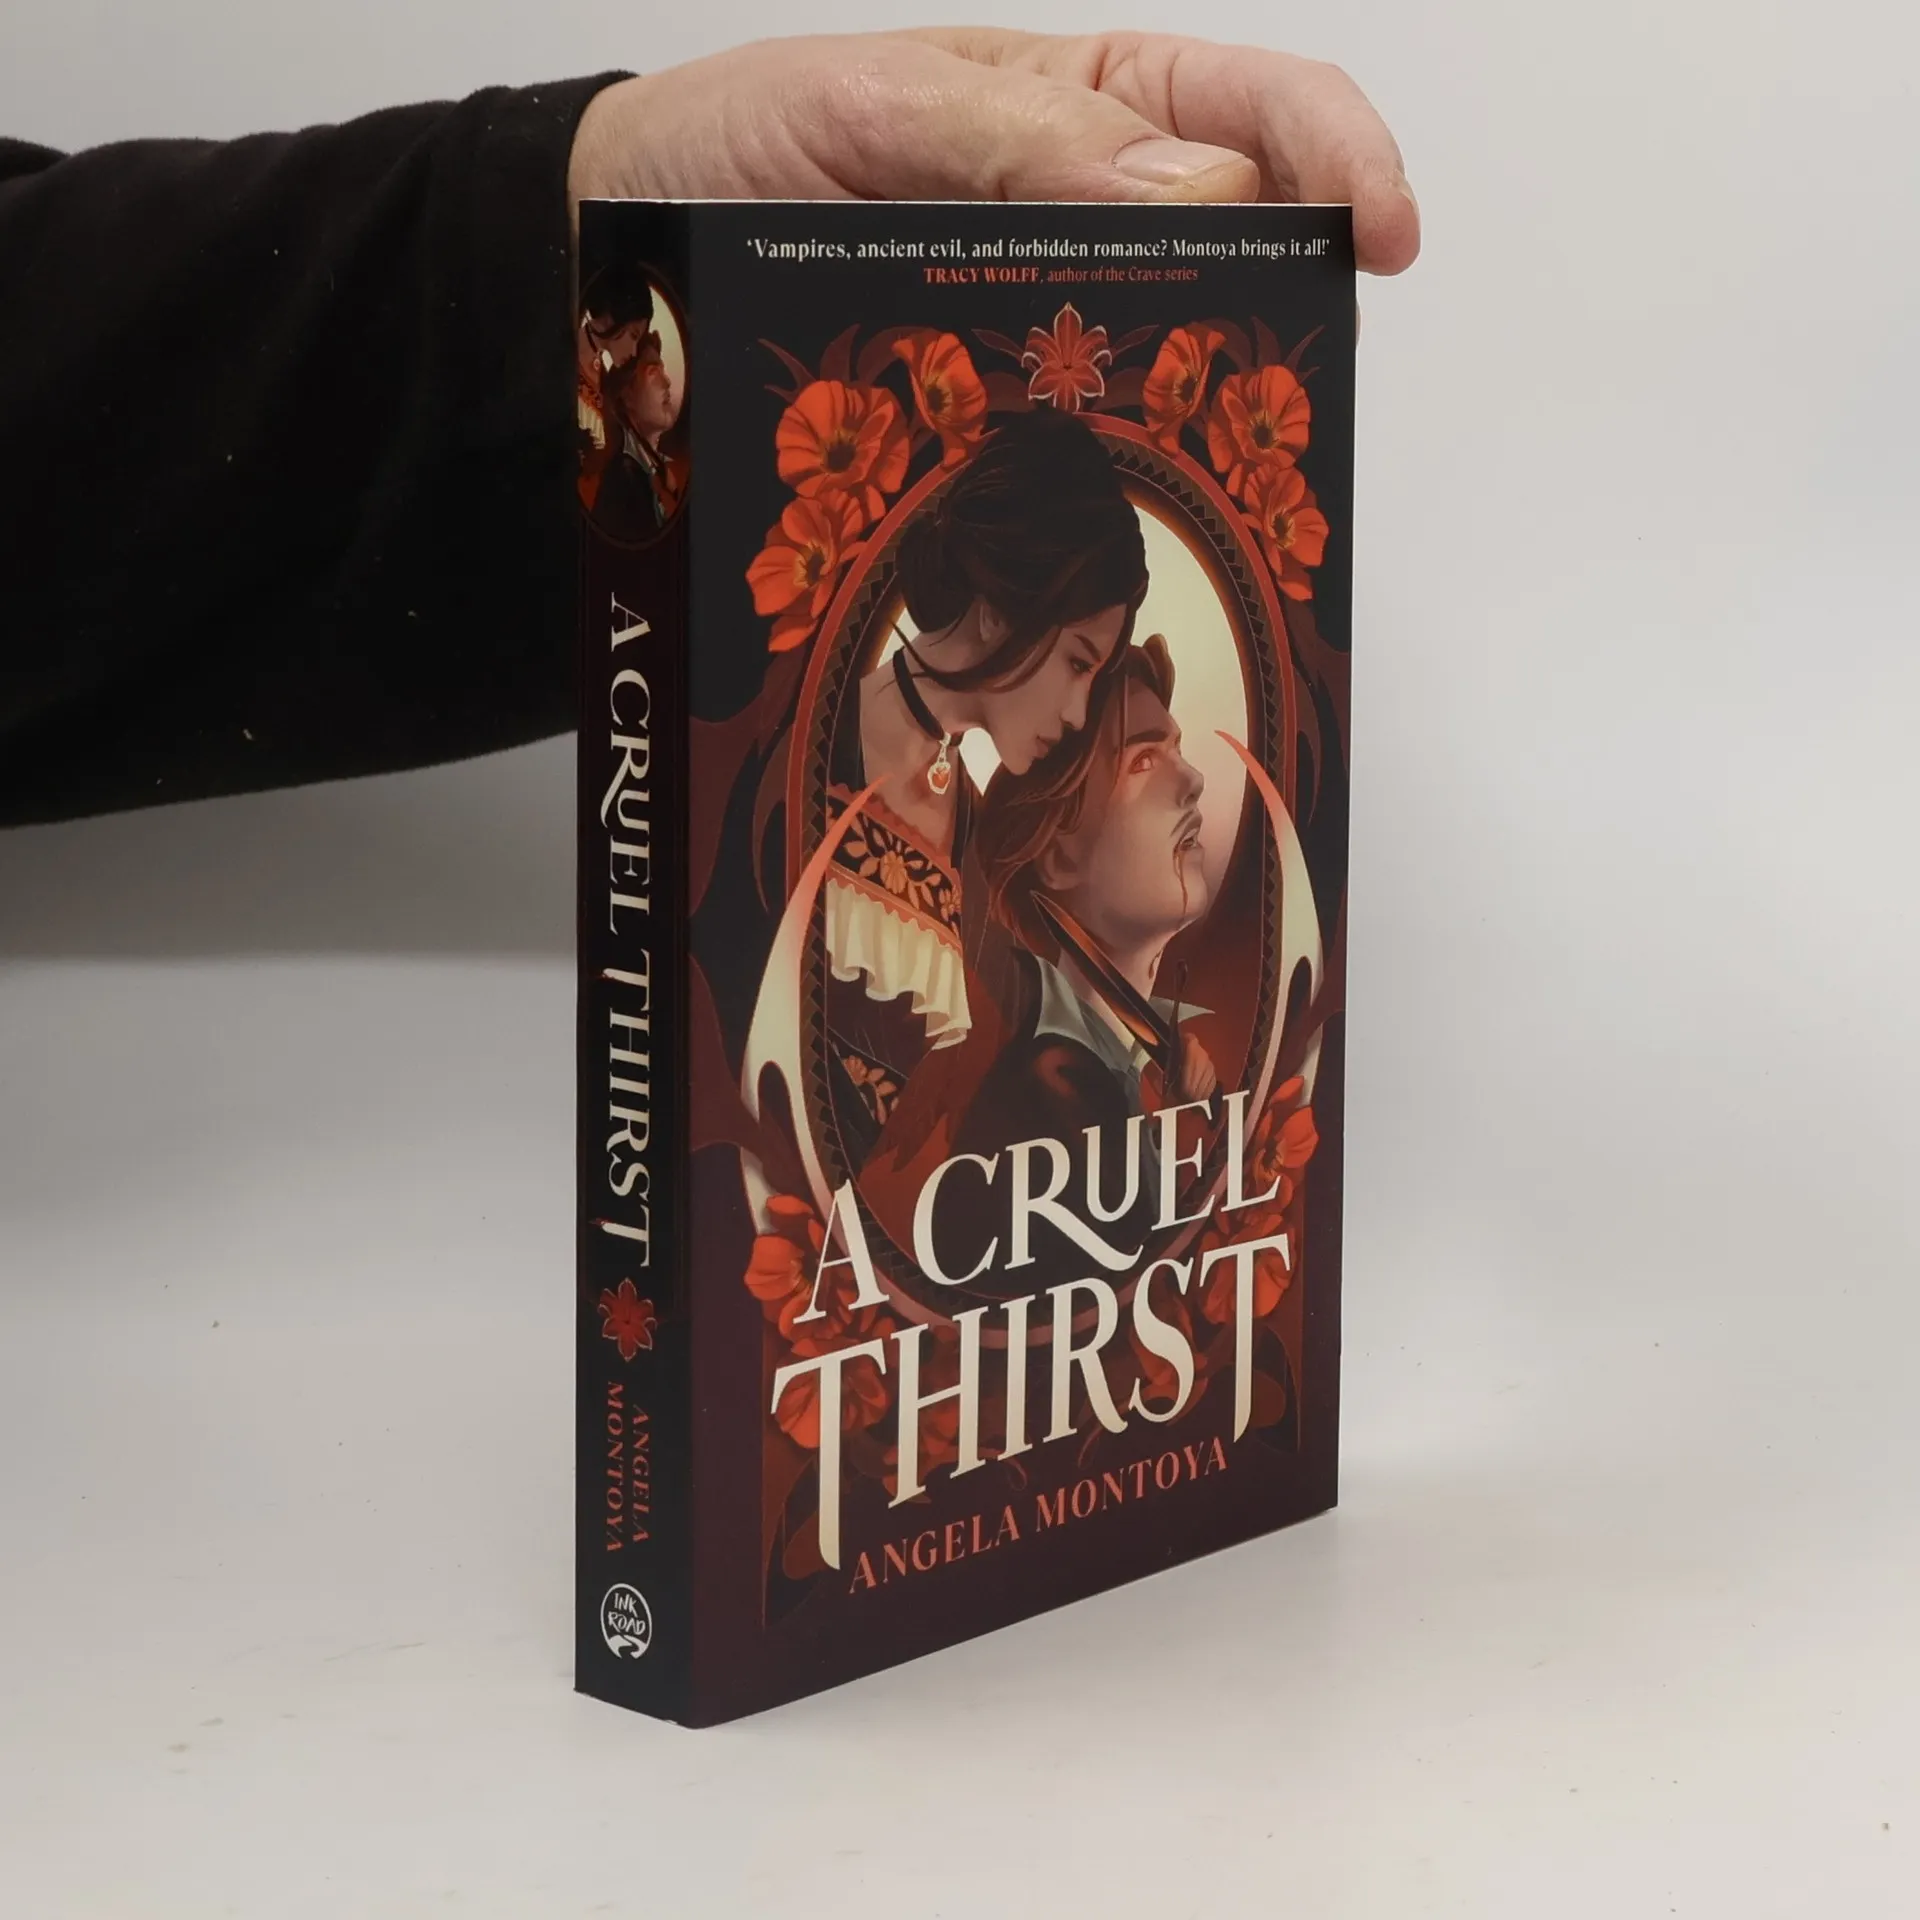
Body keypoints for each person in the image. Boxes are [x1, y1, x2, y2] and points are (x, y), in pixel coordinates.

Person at [0, 29, 1418, 830]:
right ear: (999, 607)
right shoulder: (836, 793)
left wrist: (589, 252)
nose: (1095, 714)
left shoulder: (961, 810)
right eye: (1087, 661)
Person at [824, 409, 1147, 1162]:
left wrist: (1150, 1042)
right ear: (999, 614)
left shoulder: (967, 824)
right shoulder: (818, 741)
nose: (1077, 714)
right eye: (1077, 662)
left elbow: (1030, 1003)